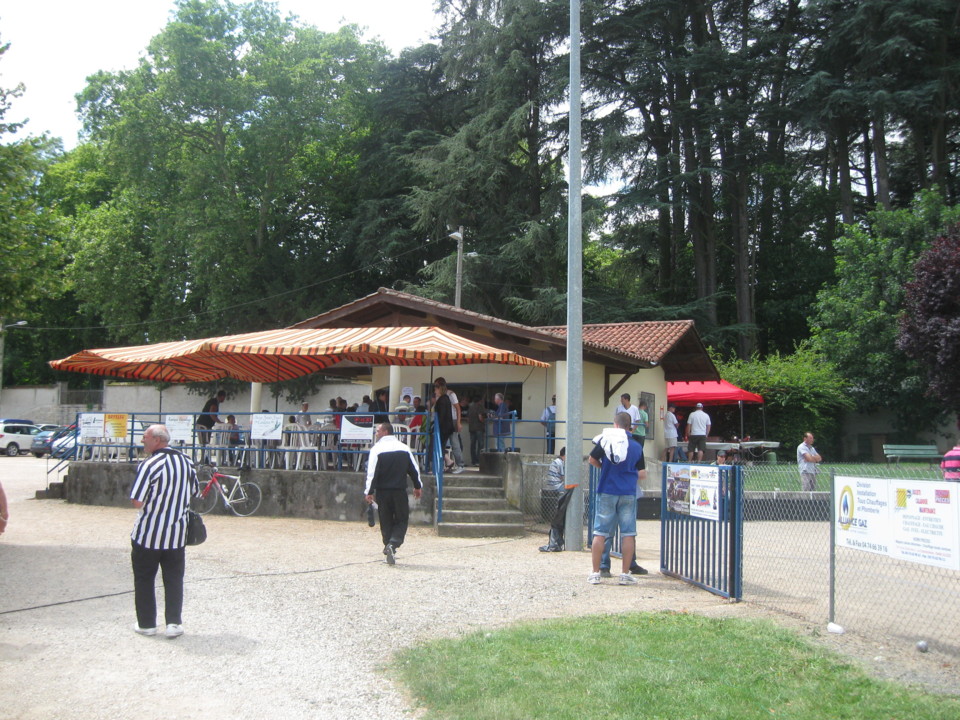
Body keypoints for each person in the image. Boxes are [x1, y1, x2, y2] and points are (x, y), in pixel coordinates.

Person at [129, 424, 198, 638]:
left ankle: (147, 623)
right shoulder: (186, 462)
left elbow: (137, 501)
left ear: (157, 440)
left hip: (148, 533)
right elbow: (195, 491)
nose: (142, 441)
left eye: (145, 437)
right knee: (174, 579)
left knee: (144, 578)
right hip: (176, 533)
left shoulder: (149, 465)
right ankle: (174, 623)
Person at [587, 413, 646, 585]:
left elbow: (592, 459)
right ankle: (625, 574)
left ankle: (596, 572)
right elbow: (642, 473)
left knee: (600, 532)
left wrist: (603, 467)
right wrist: (629, 475)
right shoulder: (636, 446)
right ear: (630, 426)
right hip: (627, 492)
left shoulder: (606, 441)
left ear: (615, 425)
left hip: (607, 490)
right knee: (628, 533)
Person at [364, 422, 423, 565]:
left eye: (378, 431)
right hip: (399, 491)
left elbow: (372, 473)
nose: (376, 433)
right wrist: (417, 486)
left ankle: (388, 545)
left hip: (383, 492)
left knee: (385, 520)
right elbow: (413, 469)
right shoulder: (404, 448)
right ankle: (393, 544)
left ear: (385, 431)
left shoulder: (377, 449)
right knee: (402, 519)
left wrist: (369, 491)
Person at [539, 448, 577, 552]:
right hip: (556, 486)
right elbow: (565, 477)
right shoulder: (560, 463)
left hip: (553, 485)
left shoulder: (556, 462)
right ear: (564, 455)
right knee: (573, 491)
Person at [436, 377, 465, 472]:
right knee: (441, 443)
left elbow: (458, 408)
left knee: (454, 442)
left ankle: (460, 464)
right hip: (445, 420)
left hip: (452, 420)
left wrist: (458, 422)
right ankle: (447, 463)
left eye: (437, 386)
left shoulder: (451, 394)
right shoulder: (440, 395)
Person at [467, 395, 486, 465]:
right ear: (480, 401)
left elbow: (468, 419)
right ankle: (479, 461)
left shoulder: (470, 407)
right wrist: (484, 421)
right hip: (479, 428)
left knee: (473, 445)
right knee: (480, 445)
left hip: (471, 428)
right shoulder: (480, 406)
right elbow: (480, 417)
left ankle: (473, 461)